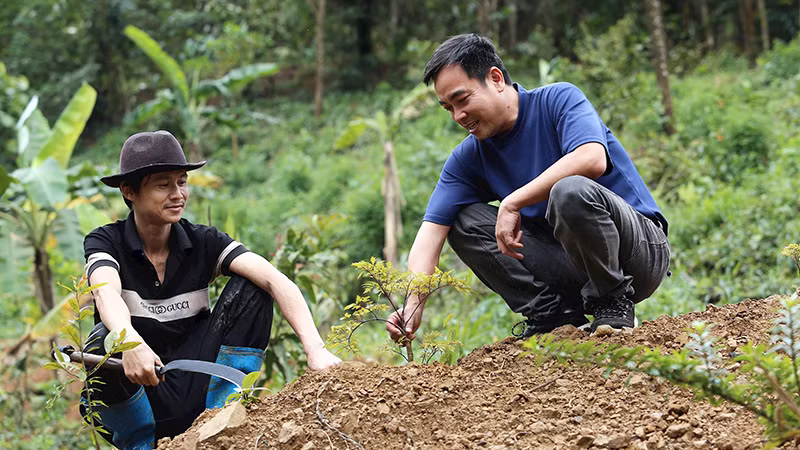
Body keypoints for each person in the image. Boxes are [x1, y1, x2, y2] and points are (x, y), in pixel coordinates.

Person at [387, 33, 670, 344]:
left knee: (570, 190)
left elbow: (591, 158)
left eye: (462, 100)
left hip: (638, 254)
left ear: (495, 78)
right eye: (448, 108)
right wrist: (412, 306)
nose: (458, 116)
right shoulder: (469, 157)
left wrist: (512, 203)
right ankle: (554, 317)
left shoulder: (558, 99)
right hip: (571, 262)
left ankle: (612, 302)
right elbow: (430, 235)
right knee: (462, 221)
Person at [83, 130, 340, 449]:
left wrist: (315, 348)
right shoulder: (106, 241)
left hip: (197, 381)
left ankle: (222, 417)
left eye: (182, 181)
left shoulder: (202, 241)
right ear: (128, 190)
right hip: (141, 387)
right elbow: (105, 291)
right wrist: (131, 342)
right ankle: (139, 442)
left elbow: (276, 279)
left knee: (253, 289)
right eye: (163, 184)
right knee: (101, 341)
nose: (177, 194)